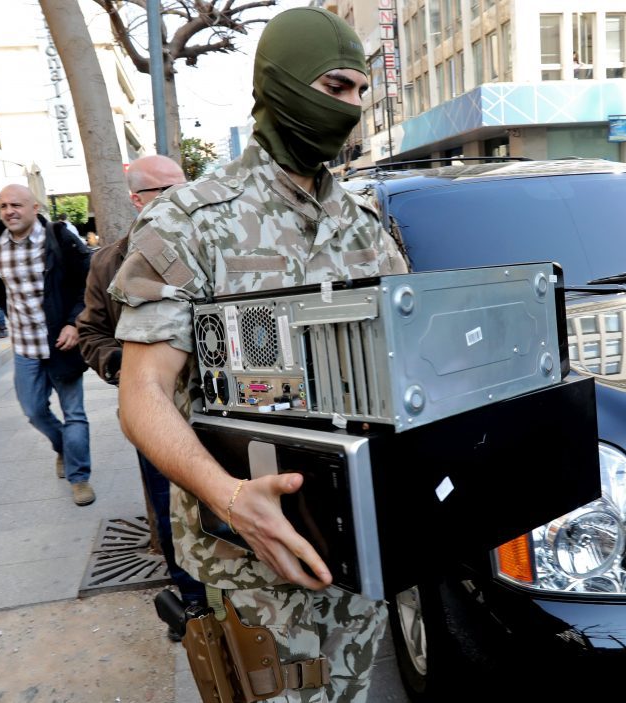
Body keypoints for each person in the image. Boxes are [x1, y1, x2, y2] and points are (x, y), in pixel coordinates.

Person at [109, 8, 407, 700]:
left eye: (362, 92)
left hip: (355, 546)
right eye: (336, 88)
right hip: (247, 564)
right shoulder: (189, 221)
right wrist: (233, 498)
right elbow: (142, 393)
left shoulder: (362, 223)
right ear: (278, 83)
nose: (352, 109)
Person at [76, 153, 204, 636]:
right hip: (160, 414)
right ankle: (192, 602)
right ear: (138, 200)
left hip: (223, 408)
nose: (181, 200)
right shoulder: (109, 262)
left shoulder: (213, 246)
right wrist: (130, 369)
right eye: (166, 193)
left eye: (184, 188)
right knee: (170, 507)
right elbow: (91, 333)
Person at [0, 185, 95, 506]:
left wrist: (74, 322)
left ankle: (79, 478)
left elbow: (86, 283)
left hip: (61, 342)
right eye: (3, 205)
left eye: (16, 205)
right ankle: (64, 446)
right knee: (34, 410)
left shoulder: (59, 239)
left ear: (34, 207)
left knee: (74, 413)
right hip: (24, 344)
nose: (9, 211)